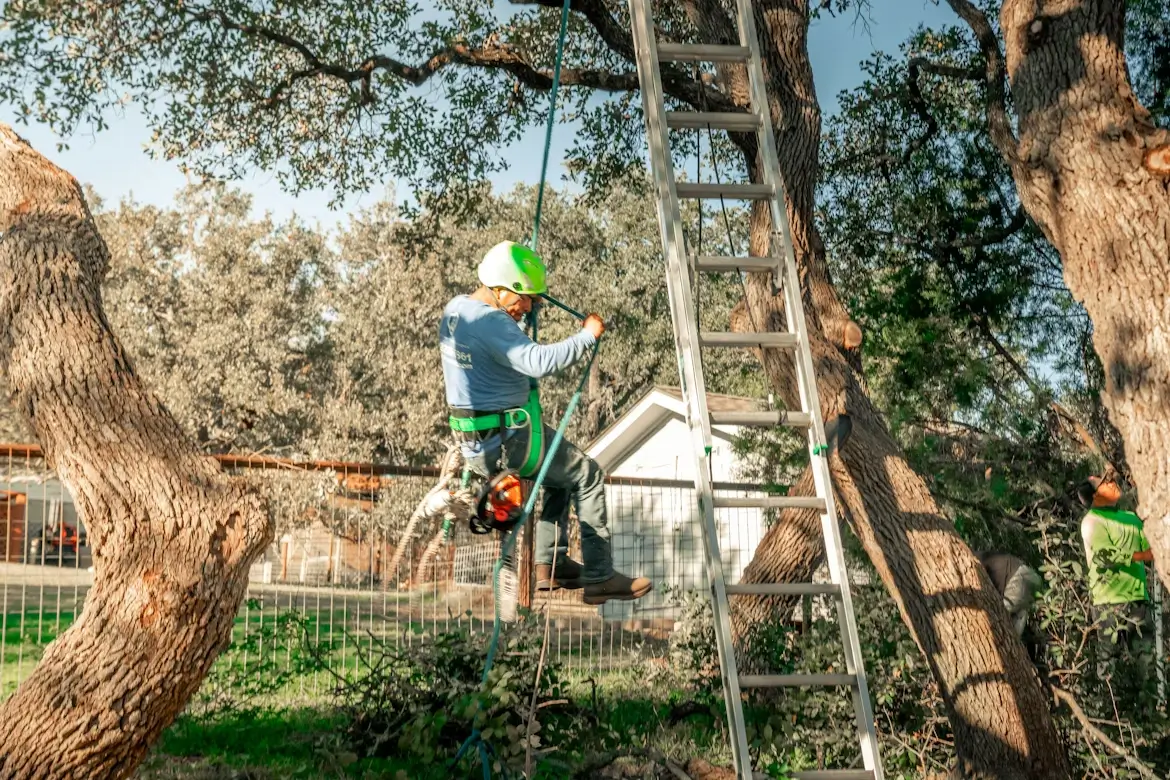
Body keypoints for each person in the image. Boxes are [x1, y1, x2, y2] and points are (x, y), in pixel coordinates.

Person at [439, 240, 652, 605]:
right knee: (587, 475)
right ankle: (600, 577)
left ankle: (551, 566)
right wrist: (587, 336)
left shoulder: (456, 310)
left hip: (479, 439)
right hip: (510, 439)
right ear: (503, 289)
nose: (528, 308)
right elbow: (538, 362)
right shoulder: (492, 322)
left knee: (559, 480)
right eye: (526, 299)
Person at [1077, 474, 1154, 663]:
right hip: (1108, 604)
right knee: (1108, 661)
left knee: (1145, 661)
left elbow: (1151, 547)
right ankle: (1109, 691)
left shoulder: (1130, 518)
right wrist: (1142, 556)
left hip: (1138, 601)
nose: (1112, 483)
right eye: (1104, 482)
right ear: (1095, 496)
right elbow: (1105, 556)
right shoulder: (1091, 521)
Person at [977, 550, 1042, 637]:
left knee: (996, 623)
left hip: (1017, 579)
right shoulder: (979, 556)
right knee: (1012, 636)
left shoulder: (971, 561)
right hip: (1028, 577)